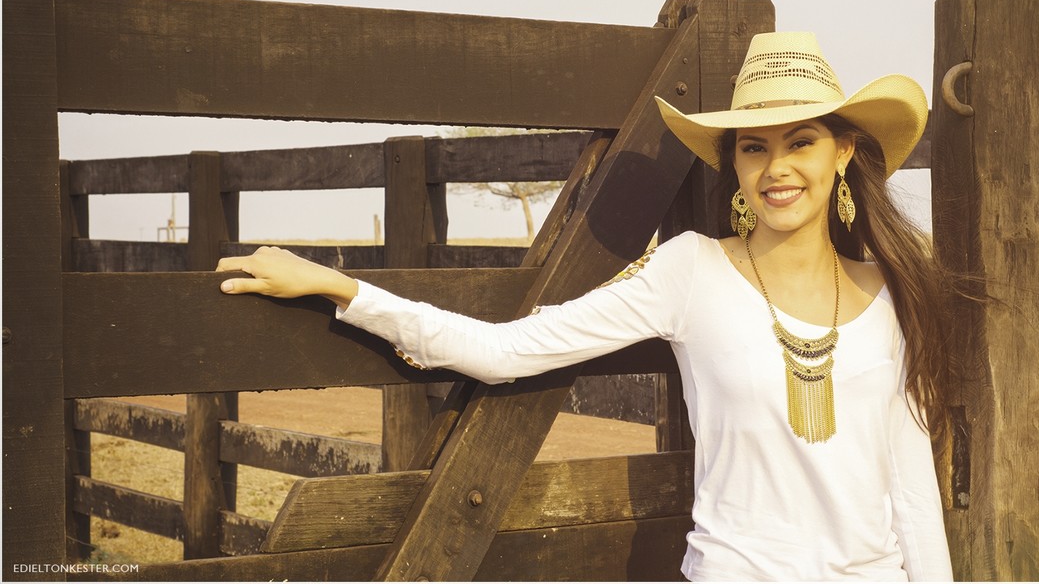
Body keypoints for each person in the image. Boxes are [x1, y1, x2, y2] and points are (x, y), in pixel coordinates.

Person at [217, 31, 956, 581]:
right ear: (733, 164)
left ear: (844, 153)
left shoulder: (894, 293)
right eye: (753, 147)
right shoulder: (690, 272)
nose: (778, 167)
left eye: (802, 142)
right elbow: (504, 353)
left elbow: (912, 491)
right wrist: (343, 289)